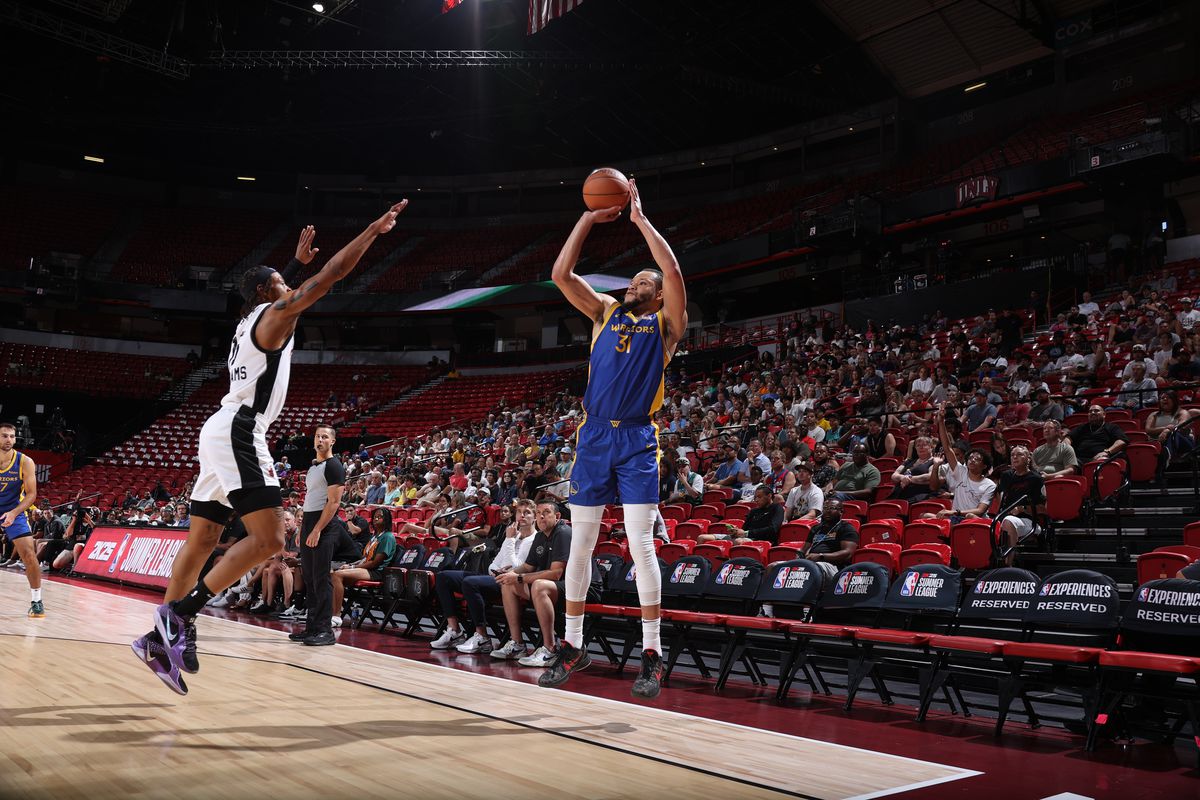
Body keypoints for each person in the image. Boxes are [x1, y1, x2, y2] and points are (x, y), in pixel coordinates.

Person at [131, 204, 408, 695]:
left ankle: (160, 638)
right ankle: (179, 616)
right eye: (282, 281)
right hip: (240, 428)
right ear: (267, 293)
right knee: (271, 540)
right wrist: (371, 230)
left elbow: (285, 292)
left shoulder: (250, 320)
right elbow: (330, 276)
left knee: (199, 543)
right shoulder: (274, 316)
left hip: (219, 426)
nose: (290, 287)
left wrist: (291, 266)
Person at [544, 178, 686, 697]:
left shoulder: (667, 325)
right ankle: (573, 644)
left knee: (639, 544)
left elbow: (670, 270)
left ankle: (652, 653)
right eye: (631, 279)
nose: (635, 283)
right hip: (593, 439)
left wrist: (640, 222)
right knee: (580, 545)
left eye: (642, 281)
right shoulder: (605, 312)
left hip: (637, 442)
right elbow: (561, 274)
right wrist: (587, 218)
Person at [431, 499, 538, 655]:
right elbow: (494, 564)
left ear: (535, 517)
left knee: (470, 583)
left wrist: (509, 540)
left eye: (527, 512)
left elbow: (515, 567)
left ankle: (482, 638)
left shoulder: (533, 540)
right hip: (496, 576)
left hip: (513, 584)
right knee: (443, 577)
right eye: (519, 512)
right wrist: (498, 569)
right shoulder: (515, 535)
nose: (522, 516)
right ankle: (454, 631)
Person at [495, 500, 575, 667]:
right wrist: (510, 574)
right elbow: (527, 566)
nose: (541, 516)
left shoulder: (564, 533)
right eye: (538, 513)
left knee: (538, 584)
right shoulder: (540, 536)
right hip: (555, 587)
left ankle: (550, 649)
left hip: (579, 588)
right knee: (508, 584)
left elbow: (556, 573)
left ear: (557, 516)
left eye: (546, 512)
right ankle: (517, 644)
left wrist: (519, 577)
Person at [0, 422, 42, 617]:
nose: (8, 440)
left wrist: (14, 513)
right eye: (4, 436)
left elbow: (31, 494)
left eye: (11, 436)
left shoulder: (25, 461)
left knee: (29, 555)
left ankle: (37, 601)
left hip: (12, 510)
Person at [923, 410, 995, 524]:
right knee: (926, 516)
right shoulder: (961, 472)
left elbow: (980, 511)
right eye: (971, 457)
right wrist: (941, 421)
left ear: (984, 466)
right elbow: (947, 448)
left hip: (972, 520)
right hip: (955, 518)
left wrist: (955, 512)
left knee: (970, 516)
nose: (972, 460)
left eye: (977, 459)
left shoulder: (989, 485)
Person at [329, 507, 397, 628]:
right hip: (365, 568)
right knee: (332, 575)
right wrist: (351, 565)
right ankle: (329, 613)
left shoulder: (388, 537)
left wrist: (352, 568)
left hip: (376, 572)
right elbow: (365, 558)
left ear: (386, 519)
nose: (376, 518)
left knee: (337, 575)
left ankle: (336, 616)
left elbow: (374, 563)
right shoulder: (375, 536)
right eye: (375, 516)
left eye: (380, 516)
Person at [994, 446, 1044, 566]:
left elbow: (1044, 509)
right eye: (1012, 455)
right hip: (1006, 518)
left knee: (1009, 521)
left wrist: (1022, 509)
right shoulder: (1006, 476)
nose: (1015, 457)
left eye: (1019, 454)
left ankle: (1008, 565)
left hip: (1030, 522)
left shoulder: (1036, 479)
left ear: (1028, 459)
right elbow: (998, 494)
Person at [798, 499, 860, 577]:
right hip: (812, 563)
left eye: (831, 508)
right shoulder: (816, 528)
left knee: (813, 568)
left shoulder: (846, 528)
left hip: (834, 567)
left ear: (841, 511)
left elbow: (847, 553)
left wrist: (821, 556)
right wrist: (799, 557)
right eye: (825, 508)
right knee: (781, 566)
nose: (827, 511)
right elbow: (804, 549)